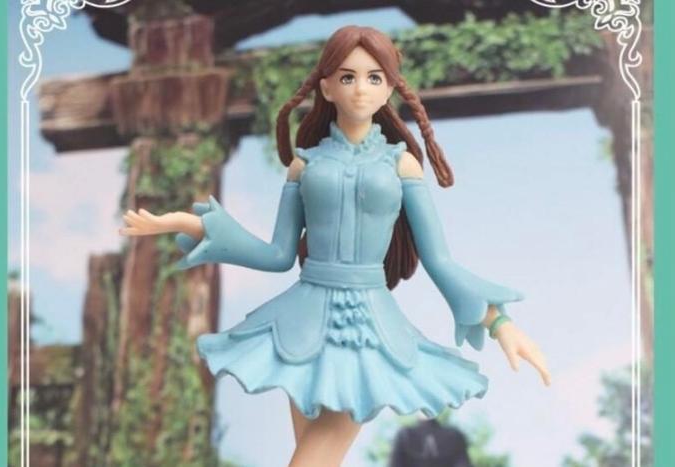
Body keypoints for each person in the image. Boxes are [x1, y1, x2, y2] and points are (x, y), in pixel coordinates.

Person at [120, 25, 550, 467]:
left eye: (374, 77)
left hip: (367, 329)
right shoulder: (304, 165)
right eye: (347, 77)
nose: (360, 88)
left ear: (390, 88)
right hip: (301, 323)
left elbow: (440, 261)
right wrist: (196, 225)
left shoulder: (401, 165)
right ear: (326, 87)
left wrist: (500, 323)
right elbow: (277, 255)